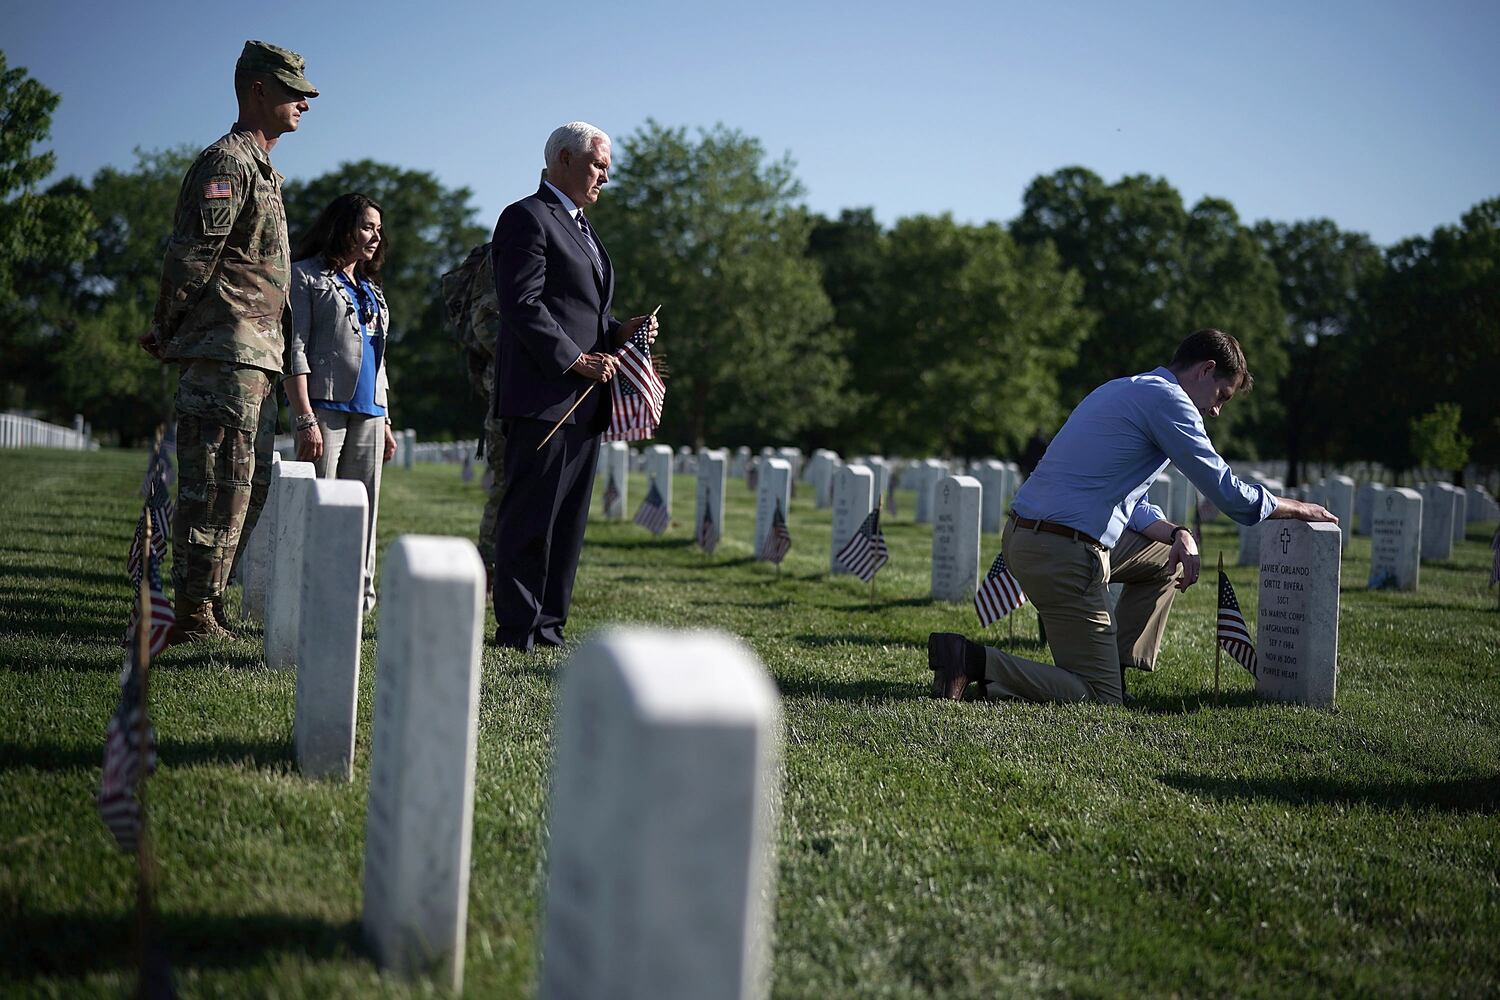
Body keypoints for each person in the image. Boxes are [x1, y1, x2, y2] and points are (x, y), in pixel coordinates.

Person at [928, 329, 1337, 704]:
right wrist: (1296, 507)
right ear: (1206, 369)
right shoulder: (1172, 401)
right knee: (1100, 699)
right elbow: (1230, 495)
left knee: (1164, 558)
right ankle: (973, 659)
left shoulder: (1120, 388)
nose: (1215, 411)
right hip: (1063, 552)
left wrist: (1178, 532)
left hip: (1029, 538)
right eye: (1221, 396)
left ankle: (1108, 666)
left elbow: (1128, 503)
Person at [140, 40, 317, 644]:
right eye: (293, 91)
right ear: (257, 91)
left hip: (255, 356)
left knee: (245, 486)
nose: (305, 104)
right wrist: (166, 325)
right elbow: (193, 254)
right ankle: (191, 609)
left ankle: (206, 605)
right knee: (215, 483)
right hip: (226, 350)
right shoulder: (228, 165)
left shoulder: (262, 169)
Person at [489, 121, 659, 650]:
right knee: (530, 520)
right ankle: (519, 630)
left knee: (566, 526)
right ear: (563, 159)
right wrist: (574, 360)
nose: (605, 175)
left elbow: (581, 312)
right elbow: (523, 304)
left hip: (586, 399)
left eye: (607, 167)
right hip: (544, 397)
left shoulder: (582, 227)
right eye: (597, 164)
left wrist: (618, 332)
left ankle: (549, 627)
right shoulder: (526, 217)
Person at [284, 193, 397, 611]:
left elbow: (379, 357)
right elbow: (293, 349)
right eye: (367, 227)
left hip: (370, 410)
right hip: (324, 409)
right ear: (342, 227)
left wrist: (386, 418)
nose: (375, 236)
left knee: (363, 509)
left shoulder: (371, 287)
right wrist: (304, 418)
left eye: (378, 230)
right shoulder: (305, 276)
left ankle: (358, 598)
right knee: (321, 504)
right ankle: (309, 594)